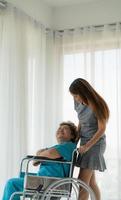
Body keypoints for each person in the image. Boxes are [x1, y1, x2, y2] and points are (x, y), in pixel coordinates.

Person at [2, 121, 78, 200]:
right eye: (59, 128)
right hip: (43, 180)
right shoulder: (58, 147)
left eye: (64, 129)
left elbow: (48, 153)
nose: (60, 130)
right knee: (16, 182)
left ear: (72, 135)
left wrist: (40, 156)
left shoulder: (69, 146)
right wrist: (40, 156)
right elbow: (38, 155)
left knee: (11, 184)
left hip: (50, 182)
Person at [69, 78, 110, 200]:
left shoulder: (97, 105)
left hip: (95, 144)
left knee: (82, 182)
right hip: (84, 142)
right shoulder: (77, 102)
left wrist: (87, 146)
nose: (75, 99)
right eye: (74, 96)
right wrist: (76, 139)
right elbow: (81, 120)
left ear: (83, 92)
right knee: (91, 183)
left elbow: (102, 129)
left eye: (76, 96)